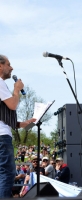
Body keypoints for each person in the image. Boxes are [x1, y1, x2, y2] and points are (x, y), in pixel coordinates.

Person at [0, 54, 36, 198]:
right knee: (7, 173)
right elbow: (13, 105)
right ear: (0, 66)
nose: (12, 67)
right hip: (2, 137)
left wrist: (22, 124)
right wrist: (16, 89)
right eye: (8, 64)